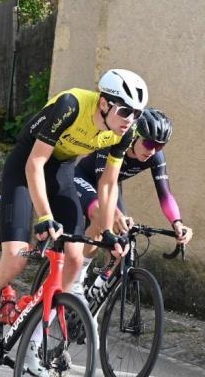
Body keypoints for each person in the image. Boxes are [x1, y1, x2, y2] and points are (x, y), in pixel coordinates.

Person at [0, 69, 149, 377]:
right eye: (125, 110)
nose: (130, 119)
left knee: (73, 257)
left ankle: (36, 343)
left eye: (136, 114)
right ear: (104, 104)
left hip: (61, 172)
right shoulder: (71, 106)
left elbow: (109, 185)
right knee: (15, 260)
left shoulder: (124, 132)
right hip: (26, 164)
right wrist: (44, 217)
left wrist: (108, 232)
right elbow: (35, 163)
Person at [70, 108, 193, 294]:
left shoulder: (155, 157)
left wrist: (177, 223)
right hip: (86, 179)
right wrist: (115, 214)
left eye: (159, 146)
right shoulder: (115, 141)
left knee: (123, 243)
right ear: (135, 136)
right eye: (149, 143)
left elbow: (165, 194)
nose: (152, 151)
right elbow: (103, 183)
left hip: (111, 185)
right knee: (101, 216)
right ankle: (76, 280)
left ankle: (94, 294)